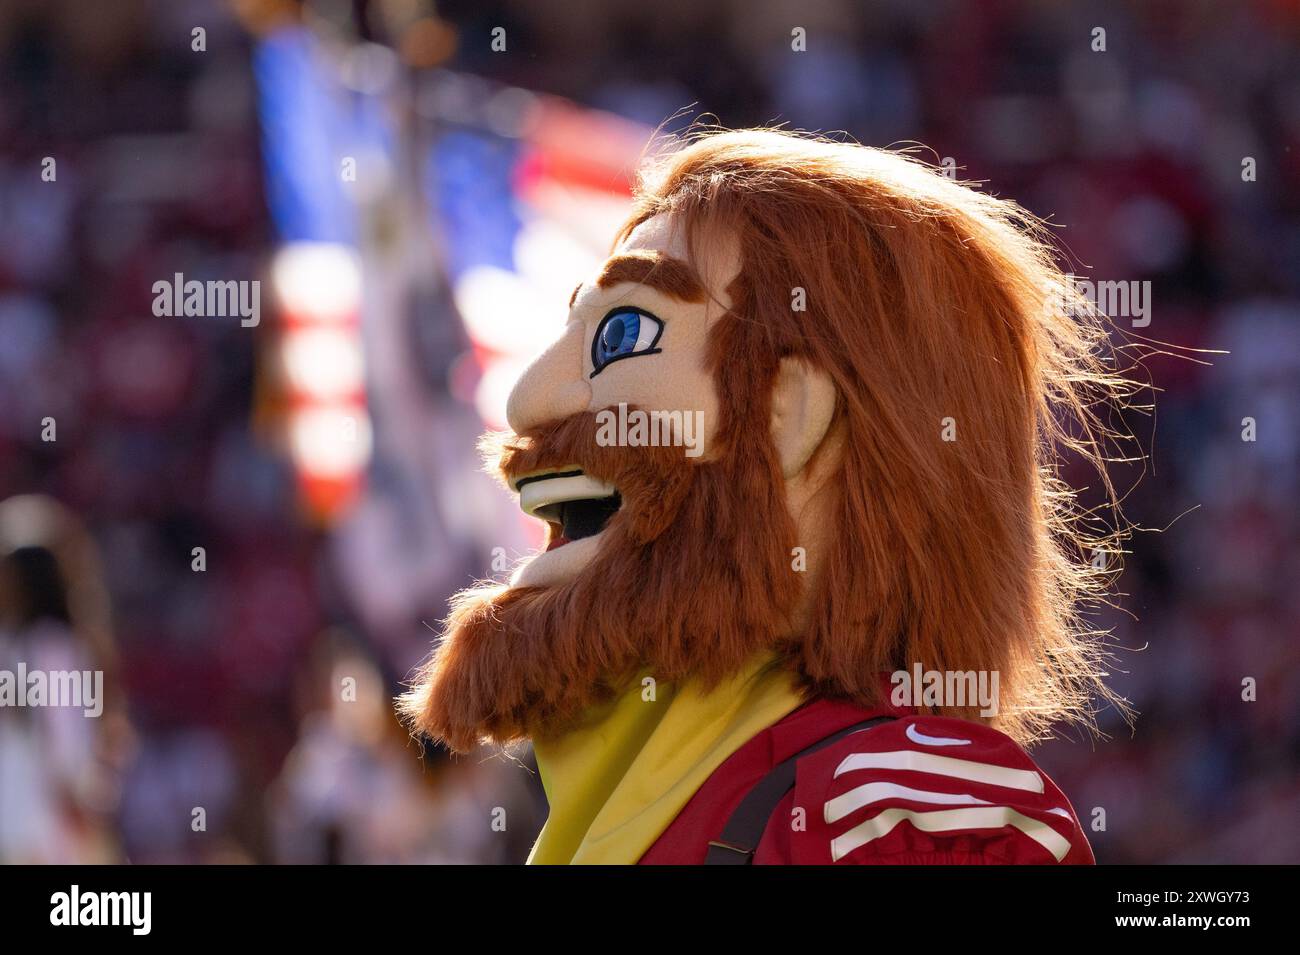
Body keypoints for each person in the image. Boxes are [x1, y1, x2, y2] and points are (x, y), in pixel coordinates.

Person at [401, 129, 1135, 864]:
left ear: (791, 412)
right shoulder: (629, 801)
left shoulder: (904, 820)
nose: (527, 401)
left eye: (624, 333)